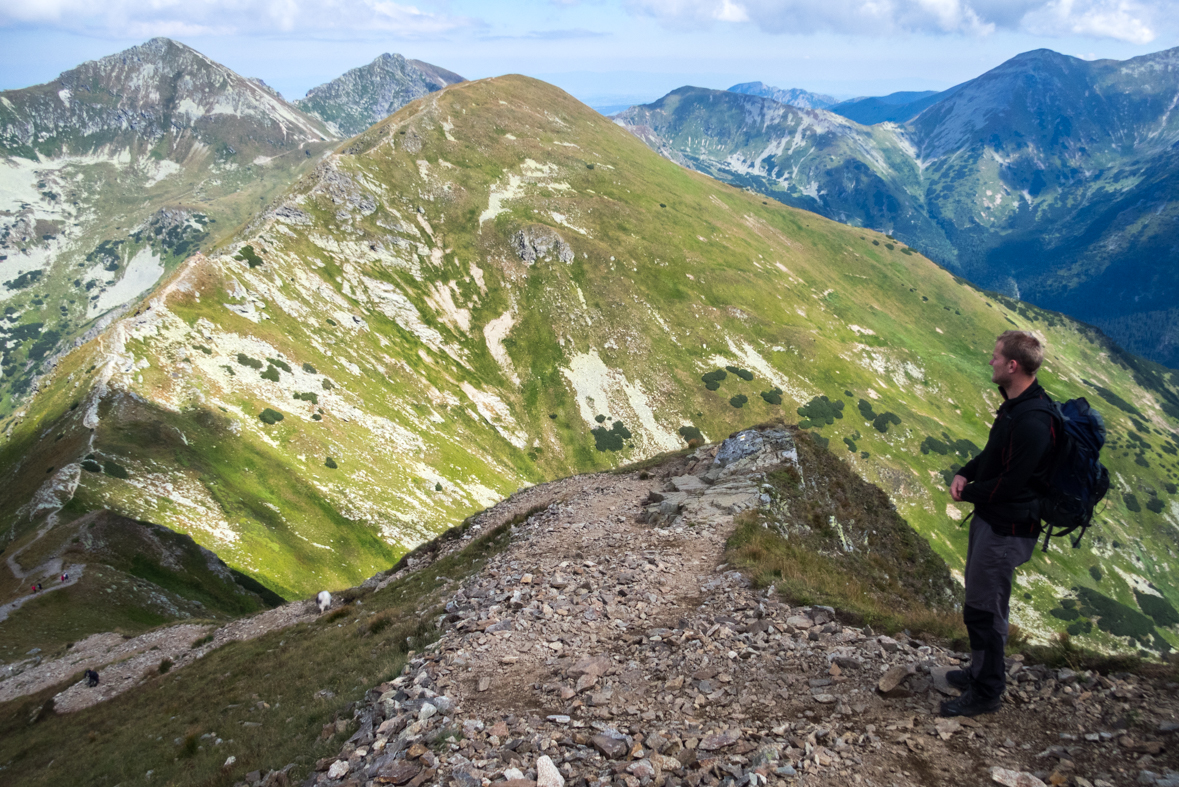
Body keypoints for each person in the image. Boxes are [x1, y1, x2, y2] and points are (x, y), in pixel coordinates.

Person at [943, 330, 1056, 717]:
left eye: (995, 357)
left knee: (987, 610)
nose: (989, 361)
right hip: (993, 521)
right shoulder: (1015, 406)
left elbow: (1012, 484)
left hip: (1008, 529)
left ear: (1013, 365)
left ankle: (988, 690)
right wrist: (965, 472)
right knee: (978, 603)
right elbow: (994, 455)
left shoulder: (1033, 421)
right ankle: (978, 670)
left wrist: (966, 493)